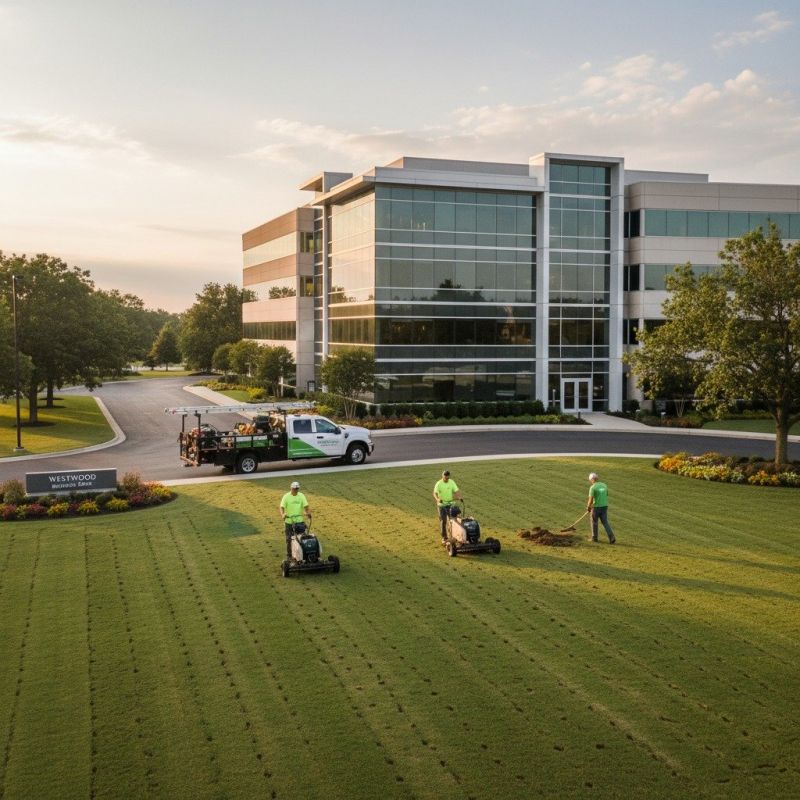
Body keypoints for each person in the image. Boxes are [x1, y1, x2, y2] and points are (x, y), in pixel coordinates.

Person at [279, 480, 312, 559]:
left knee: (302, 539)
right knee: (289, 540)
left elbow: (306, 506)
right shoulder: (286, 496)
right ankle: (289, 557)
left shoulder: (301, 496)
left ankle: (303, 555)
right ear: (291, 488)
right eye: (294, 488)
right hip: (289, 522)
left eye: (297, 488)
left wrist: (308, 513)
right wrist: (283, 515)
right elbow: (281, 507)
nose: (295, 490)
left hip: (299, 521)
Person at [433, 470, 462, 544]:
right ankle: (444, 538)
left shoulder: (451, 482)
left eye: (447, 478)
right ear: (442, 476)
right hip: (442, 505)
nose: (446, 479)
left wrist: (459, 496)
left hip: (450, 504)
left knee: (454, 520)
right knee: (443, 521)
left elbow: (456, 490)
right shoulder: (439, 483)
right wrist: (438, 499)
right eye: (445, 477)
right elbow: (435, 493)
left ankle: (455, 535)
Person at [587, 472, 615, 544]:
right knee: (605, 522)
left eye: (590, 480)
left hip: (596, 508)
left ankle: (594, 538)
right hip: (604, 506)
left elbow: (590, 499)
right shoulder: (604, 485)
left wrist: (588, 507)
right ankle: (612, 537)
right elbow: (606, 495)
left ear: (592, 479)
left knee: (594, 522)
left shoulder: (593, 487)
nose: (590, 481)